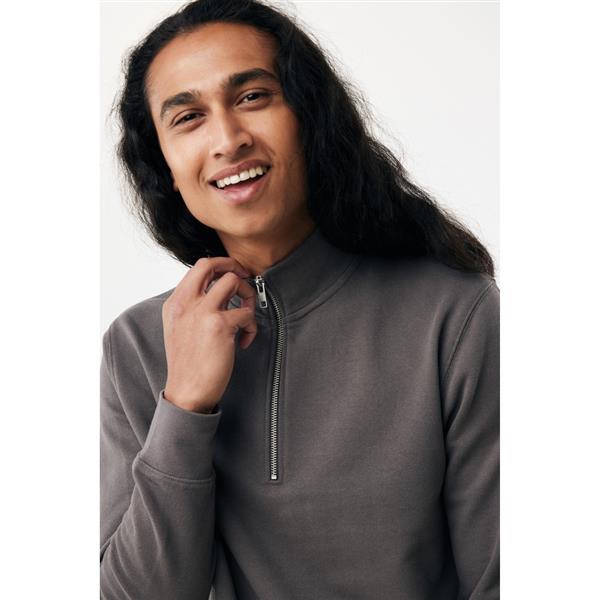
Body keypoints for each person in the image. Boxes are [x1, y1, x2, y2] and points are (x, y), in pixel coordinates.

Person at [100, 0, 499, 598]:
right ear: (166, 167)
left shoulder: (454, 314)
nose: (228, 139)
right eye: (188, 117)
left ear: (310, 116)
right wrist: (185, 402)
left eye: (253, 96)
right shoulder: (136, 344)